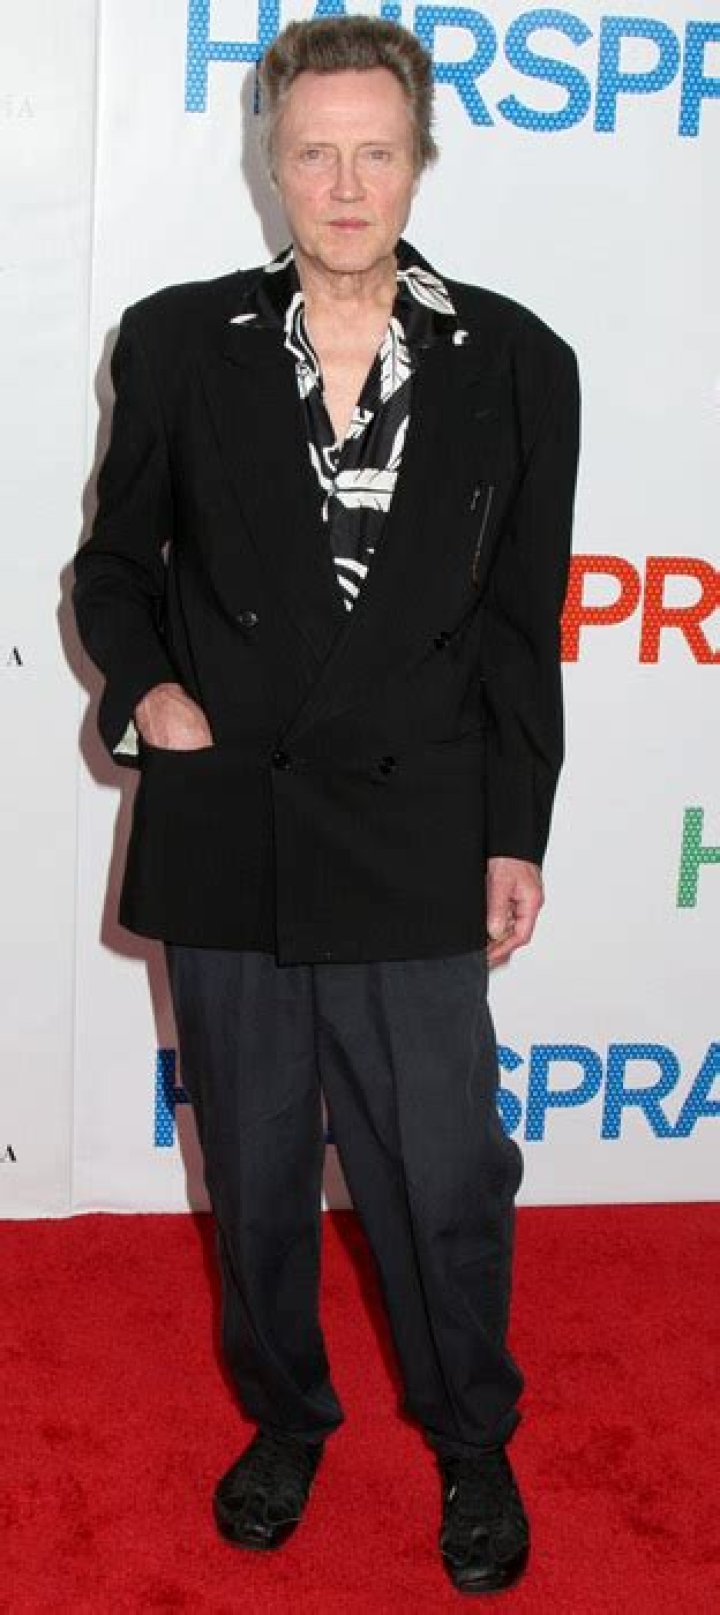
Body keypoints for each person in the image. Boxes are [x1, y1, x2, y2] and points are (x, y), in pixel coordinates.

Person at [74, 14, 580, 1596]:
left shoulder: (520, 361)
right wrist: (149, 693)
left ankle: (472, 1437)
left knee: (442, 1172)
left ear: (419, 160)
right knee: (254, 1164)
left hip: (417, 824)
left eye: (375, 152)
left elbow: (522, 628)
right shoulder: (178, 341)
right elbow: (113, 571)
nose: (346, 185)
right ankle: (288, 1414)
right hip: (230, 822)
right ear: (270, 162)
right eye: (315, 153)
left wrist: (515, 831)